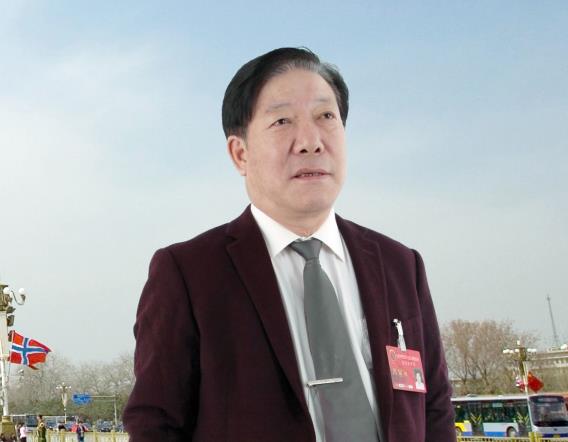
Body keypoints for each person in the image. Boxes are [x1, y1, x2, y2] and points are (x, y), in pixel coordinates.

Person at [123, 47, 455, 442]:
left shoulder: (400, 265)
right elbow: (155, 425)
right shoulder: (188, 274)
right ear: (240, 153)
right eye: (282, 121)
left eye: (326, 117)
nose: (311, 142)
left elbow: (434, 408)